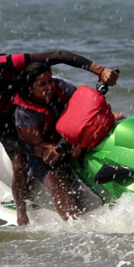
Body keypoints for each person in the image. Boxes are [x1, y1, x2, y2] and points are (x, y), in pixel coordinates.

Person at [0, 51, 118, 226]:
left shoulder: (2, 64)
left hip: (28, 100)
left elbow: (57, 56)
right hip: (6, 120)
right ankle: (21, 213)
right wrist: (39, 150)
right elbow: (4, 136)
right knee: (19, 164)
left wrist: (99, 70)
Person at [13, 62, 80, 221]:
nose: (49, 87)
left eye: (50, 81)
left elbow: (84, 106)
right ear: (30, 88)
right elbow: (41, 145)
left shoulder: (62, 86)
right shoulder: (24, 111)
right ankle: (72, 223)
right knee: (56, 176)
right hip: (40, 150)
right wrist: (70, 149)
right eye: (42, 84)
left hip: (68, 138)